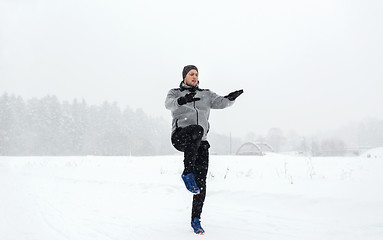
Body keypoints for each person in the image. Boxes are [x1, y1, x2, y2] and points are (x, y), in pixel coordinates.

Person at [164, 65, 243, 235]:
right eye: (191, 74)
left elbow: (220, 102)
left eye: (196, 74)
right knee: (197, 130)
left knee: (201, 184)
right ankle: (187, 172)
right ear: (185, 76)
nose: (194, 76)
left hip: (200, 142)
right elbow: (168, 104)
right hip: (181, 136)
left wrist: (230, 99)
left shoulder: (205, 94)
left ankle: (196, 219)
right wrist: (182, 100)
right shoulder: (175, 92)